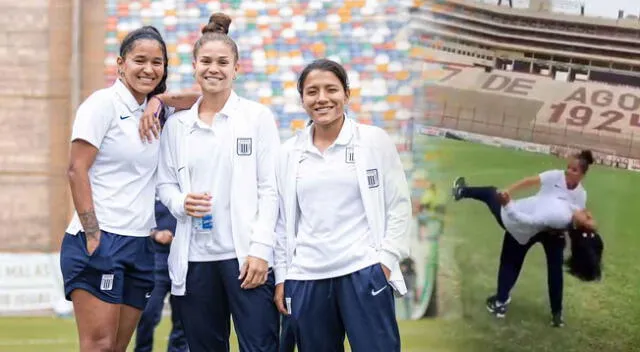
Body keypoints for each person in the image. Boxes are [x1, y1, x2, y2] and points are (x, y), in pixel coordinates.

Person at [156, 13, 281, 352]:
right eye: (206, 61)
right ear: (194, 66)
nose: (214, 68)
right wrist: (181, 203)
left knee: (260, 346)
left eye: (223, 62)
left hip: (246, 260)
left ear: (236, 68)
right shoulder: (177, 126)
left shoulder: (257, 118)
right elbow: (164, 185)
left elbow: (271, 189)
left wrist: (260, 250)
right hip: (194, 260)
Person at [272, 58, 412, 352]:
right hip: (308, 277)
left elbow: (399, 206)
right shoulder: (288, 152)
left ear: (346, 94)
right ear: (302, 99)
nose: (322, 98)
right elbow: (282, 221)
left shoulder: (373, 140)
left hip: (363, 272)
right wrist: (284, 276)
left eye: (331, 89)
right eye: (312, 91)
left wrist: (384, 263)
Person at [60, 26, 168, 351]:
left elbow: (205, 97)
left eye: (157, 62)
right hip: (102, 238)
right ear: (121, 64)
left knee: (118, 348)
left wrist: (158, 100)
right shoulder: (101, 104)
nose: (149, 69)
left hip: (140, 243)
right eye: (140, 60)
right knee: (99, 346)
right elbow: (76, 169)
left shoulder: (154, 110)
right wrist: (94, 234)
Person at [451, 154, 597, 327]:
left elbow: (575, 218)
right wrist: (509, 191)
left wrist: (584, 224)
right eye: (568, 167)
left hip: (547, 230)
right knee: (512, 259)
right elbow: (530, 181)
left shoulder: (580, 195)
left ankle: (556, 314)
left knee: (553, 271)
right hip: (534, 220)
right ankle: (501, 301)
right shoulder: (556, 176)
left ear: (582, 175)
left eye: (574, 170)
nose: (568, 171)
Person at [134, 201, 189, 352]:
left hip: (184, 260)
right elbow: (138, 220)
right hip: (156, 260)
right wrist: (156, 233)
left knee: (182, 319)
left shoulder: (187, 185)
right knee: (148, 314)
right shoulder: (153, 187)